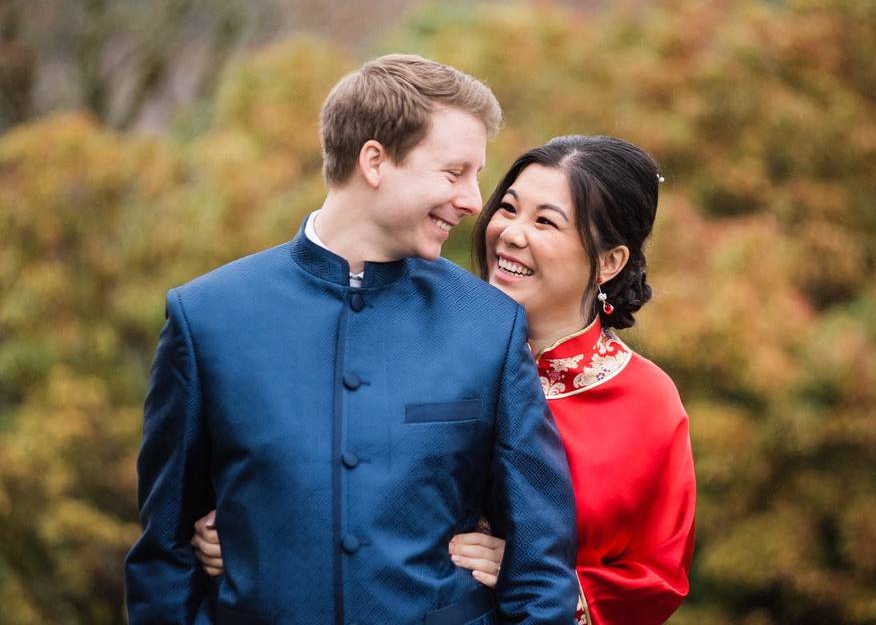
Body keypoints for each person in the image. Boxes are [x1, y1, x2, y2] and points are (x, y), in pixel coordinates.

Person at [125, 54, 579, 625]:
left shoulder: (490, 323)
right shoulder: (206, 316)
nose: (472, 200)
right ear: (374, 161)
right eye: (454, 172)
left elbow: (541, 564)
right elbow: (163, 552)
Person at [193, 136, 697, 624]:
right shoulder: (416, 339)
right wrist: (247, 529)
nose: (511, 233)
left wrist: (534, 575)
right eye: (508, 208)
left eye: (545, 221)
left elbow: (656, 576)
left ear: (609, 261)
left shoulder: (646, 401)